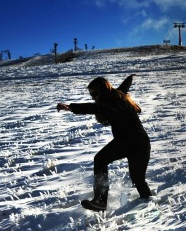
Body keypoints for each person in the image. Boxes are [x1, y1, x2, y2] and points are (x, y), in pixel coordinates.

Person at [57, 74, 153, 211]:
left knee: (101, 160)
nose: (92, 97)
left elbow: (93, 108)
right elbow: (123, 88)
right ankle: (148, 204)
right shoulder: (117, 95)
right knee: (138, 180)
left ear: (103, 90)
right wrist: (129, 79)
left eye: (94, 93)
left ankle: (101, 200)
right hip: (140, 143)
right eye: (91, 94)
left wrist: (71, 108)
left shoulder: (111, 102)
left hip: (129, 142)